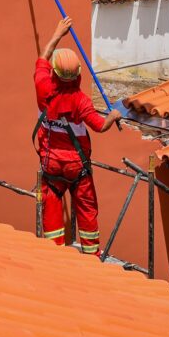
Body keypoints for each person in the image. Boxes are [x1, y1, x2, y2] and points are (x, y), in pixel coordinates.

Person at [33, 17, 121, 255]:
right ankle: (91, 255)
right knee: (86, 209)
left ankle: (54, 253)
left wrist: (58, 33)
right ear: (78, 75)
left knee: (52, 210)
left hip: (51, 163)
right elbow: (100, 126)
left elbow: (43, 57)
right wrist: (113, 116)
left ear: (54, 73)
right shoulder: (81, 101)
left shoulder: (43, 88)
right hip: (76, 167)